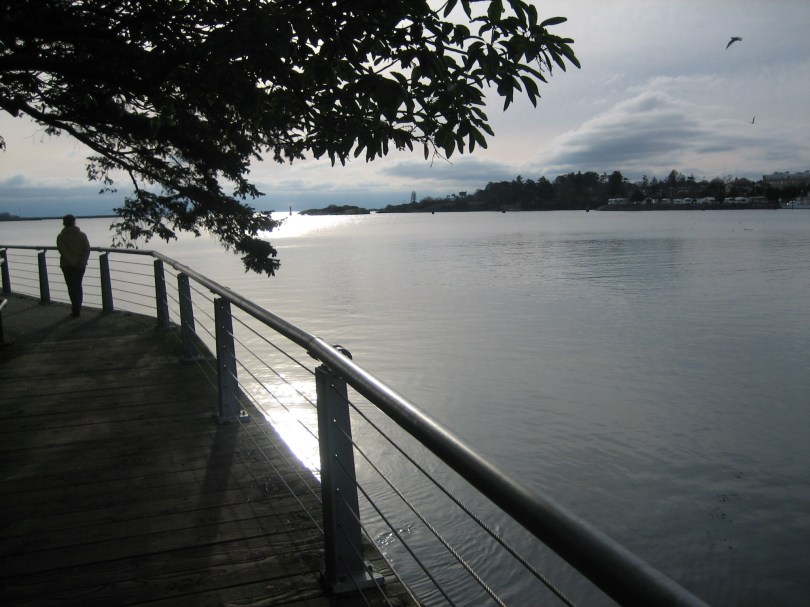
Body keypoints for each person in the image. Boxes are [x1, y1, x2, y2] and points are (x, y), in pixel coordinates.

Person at [56, 214, 91, 317]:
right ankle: (78, 305)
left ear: (64, 223)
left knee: (71, 287)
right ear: (74, 222)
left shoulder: (61, 236)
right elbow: (86, 250)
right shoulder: (82, 235)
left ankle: (76, 307)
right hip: (81, 265)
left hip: (67, 265)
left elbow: (63, 251)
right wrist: (82, 262)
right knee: (78, 285)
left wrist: (72, 262)